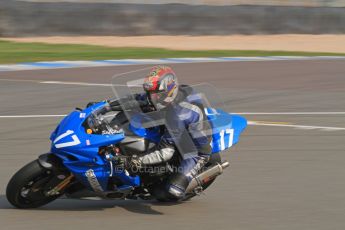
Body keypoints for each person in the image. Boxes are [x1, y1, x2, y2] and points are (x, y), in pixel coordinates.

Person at [128, 65, 213, 200]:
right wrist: (105, 105)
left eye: (156, 94)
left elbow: (166, 151)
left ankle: (183, 182)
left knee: (170, 192)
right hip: (180, 129)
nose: (151, 98)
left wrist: (138, 161)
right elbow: (138, 98)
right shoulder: (165, 97)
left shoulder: (177, 115)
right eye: (151, 93)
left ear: (169, 91)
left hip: (195, 151)